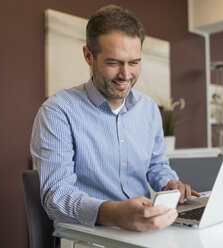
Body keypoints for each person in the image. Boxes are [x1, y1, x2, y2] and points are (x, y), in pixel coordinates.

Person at [30, 4, 200, 239]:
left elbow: (156, 164)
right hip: (87, 238)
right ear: (88, 55)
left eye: (134, 62)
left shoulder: (148, 109)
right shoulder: (58, 112)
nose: (126, 75)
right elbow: (55, 196)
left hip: (146, 232)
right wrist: (113, 213)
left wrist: (168, 182)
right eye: (113, 63)